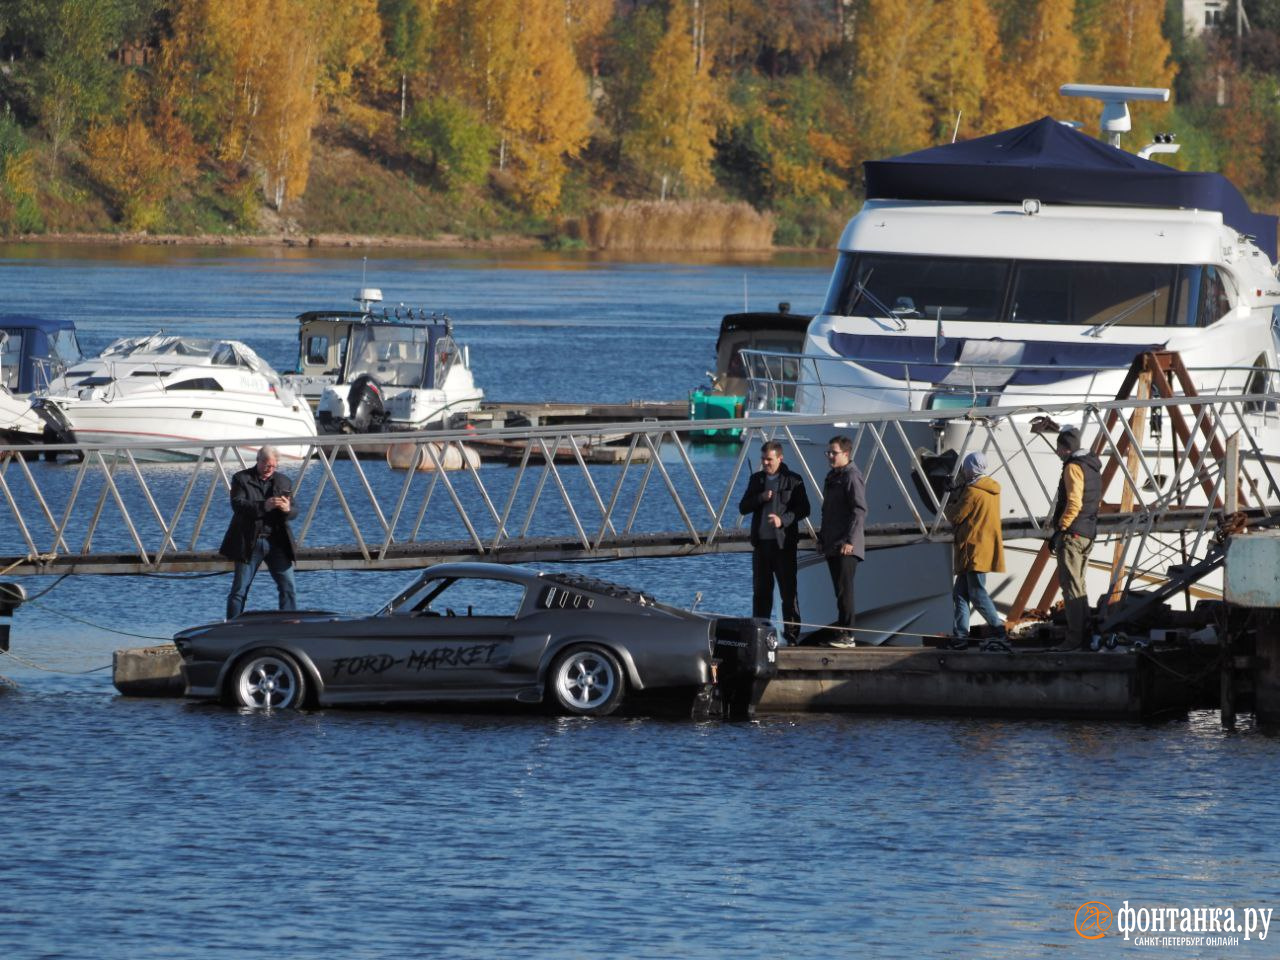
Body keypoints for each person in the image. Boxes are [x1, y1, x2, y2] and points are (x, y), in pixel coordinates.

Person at [738, 440, 810, 645]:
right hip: (761, 545)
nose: (765, 463)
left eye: (769, 459)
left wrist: (783, 520)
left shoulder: (793, 480)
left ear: (780, 458)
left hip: (783, 545)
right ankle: (760, 634)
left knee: (788, 592)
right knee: (761, 592)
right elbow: (743, 507)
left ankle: (792, 635)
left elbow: (804, 509)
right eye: (763, 459)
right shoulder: (757, 479)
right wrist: (760, 498)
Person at [220, 446, 298, 619]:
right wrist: (264, 506)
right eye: (265, 464)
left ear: (276, 464)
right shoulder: (241, 478)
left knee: (288, 587)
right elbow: (237, 505)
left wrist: (287, 509)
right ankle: (233, 625)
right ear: (258, 460)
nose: (268, 469)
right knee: (240, 589)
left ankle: (289, 624)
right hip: (249, 541)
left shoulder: (284, 481)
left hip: (277, 541)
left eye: (272, 466)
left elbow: (295, 512)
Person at [945, 451, 1006, 647]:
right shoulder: (991, 489)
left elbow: (955, 516)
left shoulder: (972, 491)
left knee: (977, 593)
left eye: (965, 467)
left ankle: (998, 629)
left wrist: (949, 497)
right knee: (960, 593)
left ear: (970, 468)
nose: (963, 470)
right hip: (982, 547)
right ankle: (961, 636)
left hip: (972, 549)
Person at [1049, 425, 1101, 650]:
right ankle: (1084, 634)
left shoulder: (1073, 468)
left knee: (1070, 587)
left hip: (1073, 533)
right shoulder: (1091, 465)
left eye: (1059, 447)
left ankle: (1073, 639)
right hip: (1088, 531)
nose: (1057, 452)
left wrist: (1061, 528)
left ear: (1065, 448)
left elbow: (1074, 503)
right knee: (1079, 586)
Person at [818, 435, 866, 647]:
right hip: (832, 544)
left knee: (845, 590)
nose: (829, 456)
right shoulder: (832, 476)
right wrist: (822, 538)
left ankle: (849, 635)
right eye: (828, 452)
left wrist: (850, 540)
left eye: (834, 452)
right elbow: (826, 512)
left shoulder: (851, 476)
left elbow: (859, 510)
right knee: (839, 590)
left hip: (846, 546)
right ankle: (842, 632)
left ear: (846, 454)